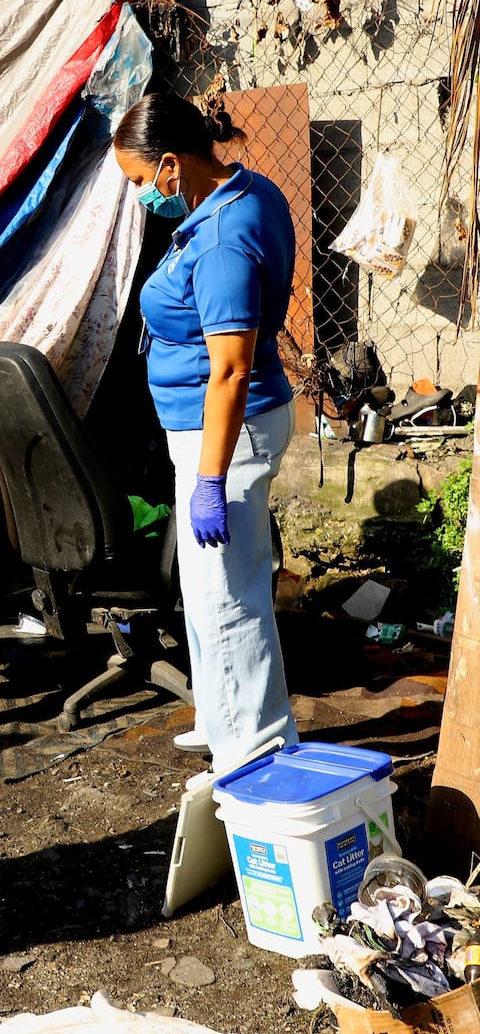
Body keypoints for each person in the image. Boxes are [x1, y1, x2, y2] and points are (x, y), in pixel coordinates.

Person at [112, 93, 298, 774]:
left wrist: (212, 479)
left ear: (170, 164)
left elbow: (230, 368)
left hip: (226, 433)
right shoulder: (248, 191)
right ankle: (222, 716)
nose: (139, 194)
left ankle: (253, 753)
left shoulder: (220, 240)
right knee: (208, 588)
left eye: (139, 179)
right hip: (219, 426)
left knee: (228, 598)